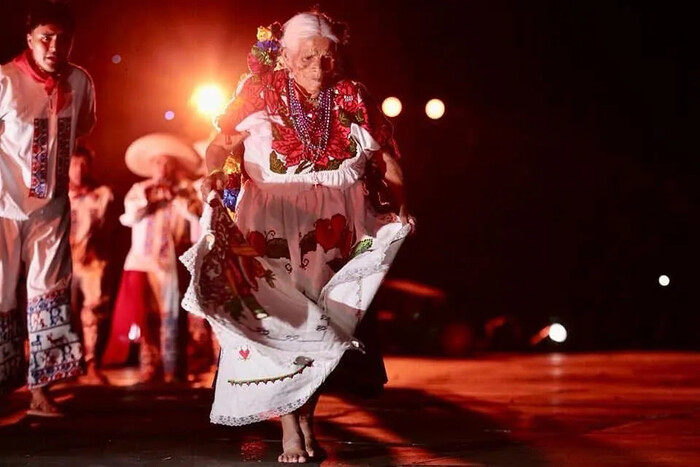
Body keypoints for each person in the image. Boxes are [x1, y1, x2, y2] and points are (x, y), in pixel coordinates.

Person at [181, 11, 415, 463]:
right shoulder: (258, 91)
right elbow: (219, 144)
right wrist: (212, 173)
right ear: (285, 57)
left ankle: (305, 416)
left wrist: (402, 203)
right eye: (308, 58)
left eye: (327, 59)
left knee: (323, 328)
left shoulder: (352, 95)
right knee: (283, 322)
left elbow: (385, 159)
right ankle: (292, 426)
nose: (319, 68)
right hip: (272, 220)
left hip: (338, 225)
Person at [0, 0, 95, 416]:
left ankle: (42, 390)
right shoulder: (4, 79)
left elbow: (85, 126)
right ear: (30, 39)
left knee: (49, 291)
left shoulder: (81, 81)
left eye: (63, 38)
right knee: (0, 290)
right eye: (46, 37)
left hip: (52, 206)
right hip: (3, 204)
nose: (55, 45)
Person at [103, 133, 202, 384]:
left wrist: (176, 197)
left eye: (167, 162)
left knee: (171, 315)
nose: (163, 167)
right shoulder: (139, 189)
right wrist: (151, 197)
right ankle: (150, 367)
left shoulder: (184, 191)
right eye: (158, 162)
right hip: (142, 262)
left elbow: (195, 216)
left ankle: (173, 369)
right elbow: (131, 216)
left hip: (170, 265)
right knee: (145, 314)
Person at [68, 144, 115, 384]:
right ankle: (65, 366)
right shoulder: (58, 194)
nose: (79, 169)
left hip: (91, 262)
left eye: (84, 164)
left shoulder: (101, 194)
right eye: (75, 164)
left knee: (92, 313)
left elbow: (103, 226)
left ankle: (91, 364)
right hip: (63, 263)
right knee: (65, 312)